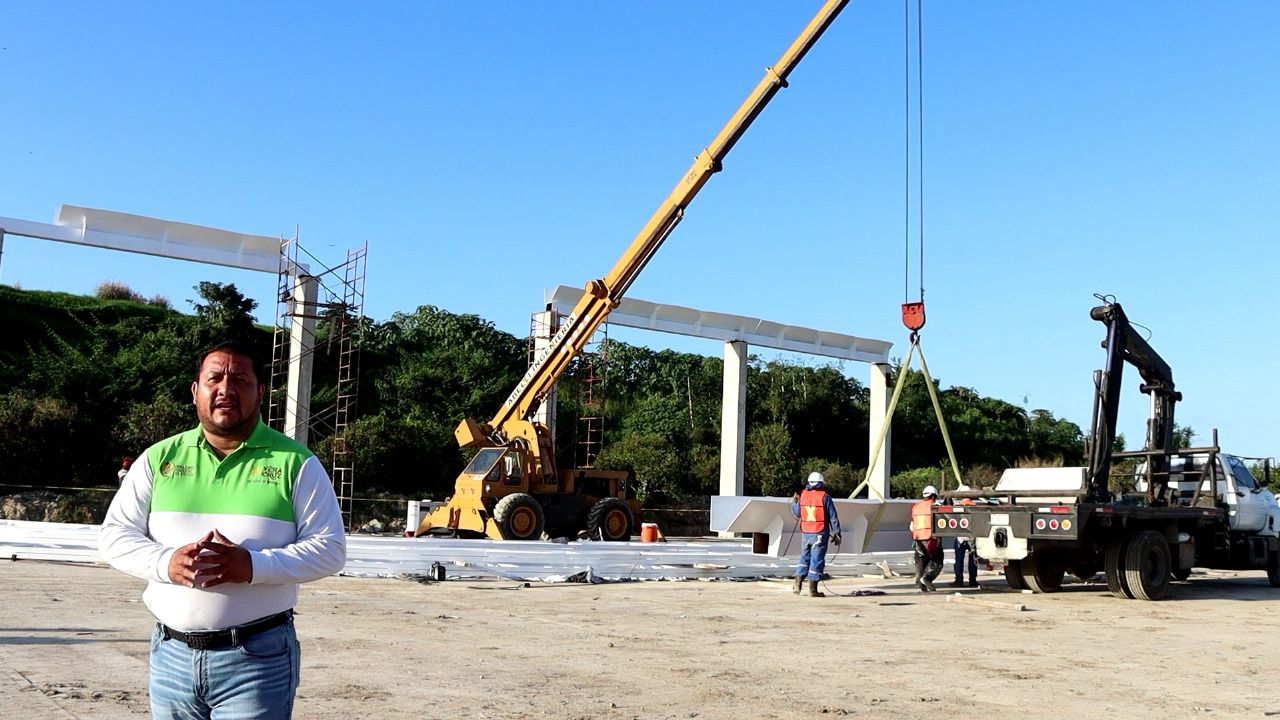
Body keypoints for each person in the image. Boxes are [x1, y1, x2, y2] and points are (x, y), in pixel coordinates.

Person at [99, 339, 347, 719]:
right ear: (196, 390)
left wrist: (252, 566)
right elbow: (114, 537)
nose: (225, 389)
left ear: (261, 391)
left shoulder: (297, 463)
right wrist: (167, 563)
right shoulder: (158, 459)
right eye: (214, 378)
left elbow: (330, 549)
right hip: (171, 658)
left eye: (240, 380)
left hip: (257, 660)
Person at [790, 471, 842, 597]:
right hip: (819, 533)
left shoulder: (802, 495)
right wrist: (837, 533)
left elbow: (797, 514)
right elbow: (833, 517)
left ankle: (798, 583)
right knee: (817, 560)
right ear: (821, 483)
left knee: (804, 558)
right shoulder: (825, 497)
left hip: (806, 533)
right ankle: (813, 590)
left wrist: (794, 502)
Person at [910, 485, 944, 592]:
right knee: (938, 562)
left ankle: (919, 584)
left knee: (920, 561)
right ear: (933, 496)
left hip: (918, 539)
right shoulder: (935, 506)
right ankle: (927, 578)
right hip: (931, 539)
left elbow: (911, 526)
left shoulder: (915, 506)